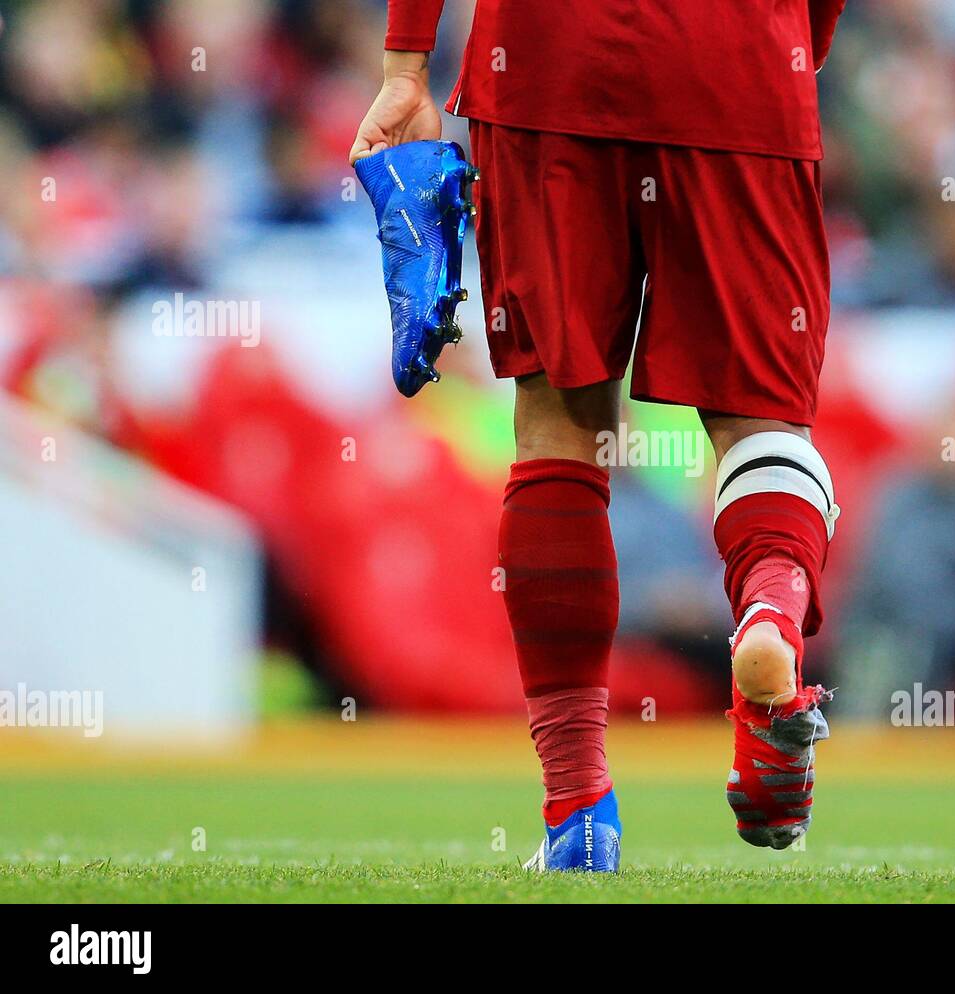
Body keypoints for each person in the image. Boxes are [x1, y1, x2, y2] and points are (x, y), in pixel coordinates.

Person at [350, 0, 846, 870]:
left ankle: (577, 809)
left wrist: (404, 64)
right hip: (740, 62)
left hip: (548, 62)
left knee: (558, 427)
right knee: (761, 419)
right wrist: (793, 50)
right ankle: (770, 610)